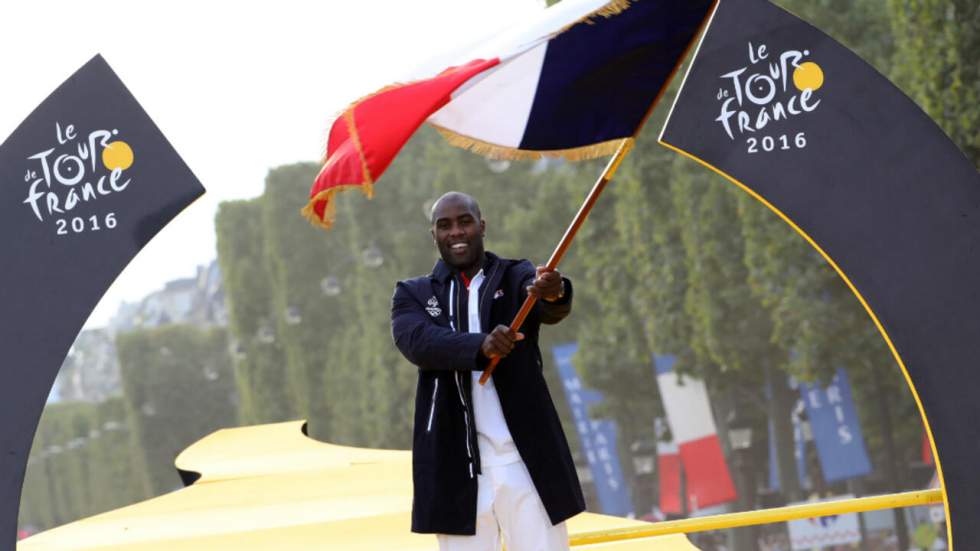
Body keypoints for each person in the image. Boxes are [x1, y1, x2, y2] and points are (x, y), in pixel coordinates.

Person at [391, 191, 585, 551]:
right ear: (432, 234)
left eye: (464, 221)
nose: (456, 232)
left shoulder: (516, 276)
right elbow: (417, 342)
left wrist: (555, 292)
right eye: (444, 225)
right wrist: (480, 346)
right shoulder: (412, 294)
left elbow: (549, 304)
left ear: (482, 225)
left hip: (525, 460)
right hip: (454, 465)